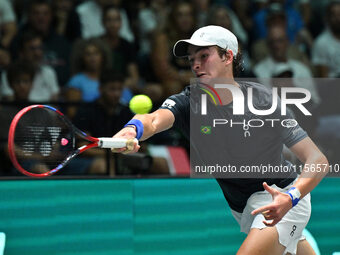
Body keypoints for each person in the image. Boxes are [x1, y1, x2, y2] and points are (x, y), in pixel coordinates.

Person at [112, 25, 329, 255]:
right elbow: (153, 120)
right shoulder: (188, 103)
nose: (196, 64)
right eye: (192, 58)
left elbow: (318, 159)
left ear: (228, 56)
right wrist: (131, 130)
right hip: (244, 208)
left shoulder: (264, 101)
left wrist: (291, 197)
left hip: (281, 195)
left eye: (204, 56)